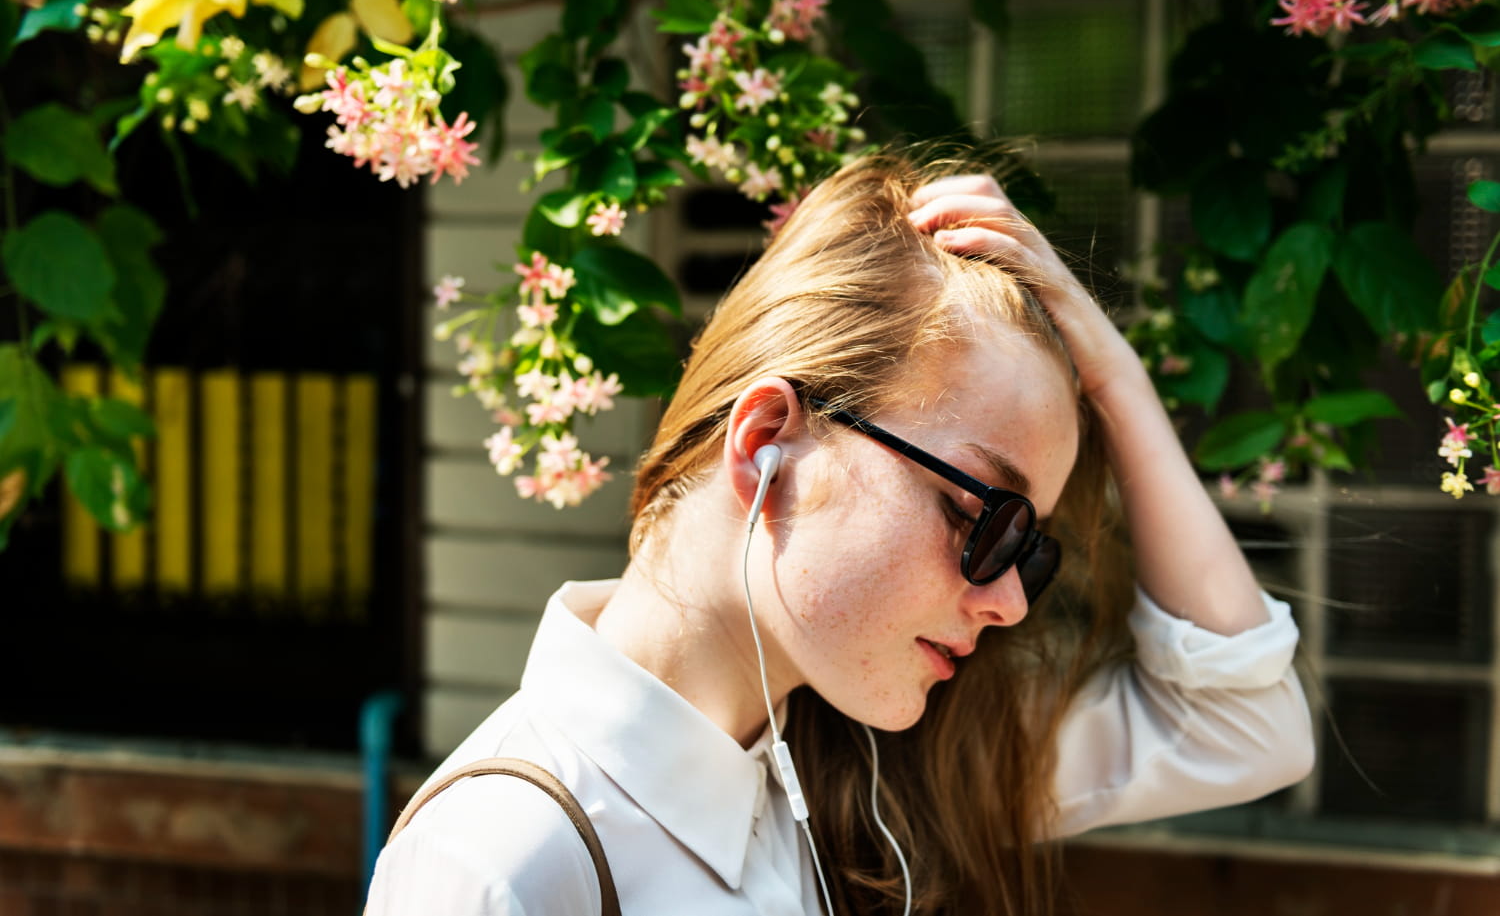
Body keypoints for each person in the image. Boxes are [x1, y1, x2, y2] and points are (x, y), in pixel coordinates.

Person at [365, 156, 1313, 916]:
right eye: (985, 516)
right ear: (768, 442)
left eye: (1029, 547)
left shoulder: (851, 762)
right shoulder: (496, 864)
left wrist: (1115, 375)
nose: (1012, 597)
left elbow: (1245, 727)